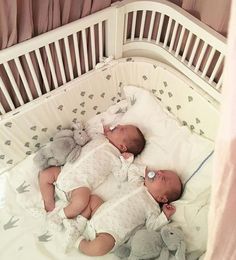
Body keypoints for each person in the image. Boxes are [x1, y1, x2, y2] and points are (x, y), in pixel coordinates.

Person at [38, 124, 146, 224]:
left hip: (78, 187)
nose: (118, 125)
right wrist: (93, 128)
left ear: (122, 147)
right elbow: (88, 134)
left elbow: (121, 176)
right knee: (45, 174)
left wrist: (126, 163)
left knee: (81, 202)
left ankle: (61, 215)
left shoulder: (116, 159)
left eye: (122, 129)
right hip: (63, 171)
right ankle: (49, 203)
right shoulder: (100, 137)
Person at [75, 166, 183, 256]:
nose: (159, 172)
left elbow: (152, 227)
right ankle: (81, 221)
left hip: (109, 232)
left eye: (163, 178)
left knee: (99, 248)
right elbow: (132, 169)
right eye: (161, 171)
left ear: (162, 198)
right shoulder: (137, 181)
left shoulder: (153, 208)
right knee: (93, 199)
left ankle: (80, 243)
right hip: (99, 211)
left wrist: (164, 215)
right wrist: (144, 171)